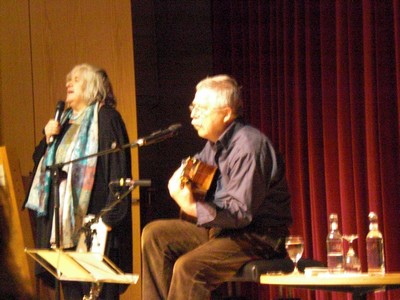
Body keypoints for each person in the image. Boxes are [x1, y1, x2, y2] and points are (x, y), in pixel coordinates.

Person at [141, 74, 293, 299]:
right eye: (193, 107)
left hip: (258, 236)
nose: (193, 114)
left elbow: (240, 213)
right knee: (154, 235)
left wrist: (191, 207)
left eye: (202, 109)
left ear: (227, 113)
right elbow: (197, 174)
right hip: (223, 231)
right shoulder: (213, 146)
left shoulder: (249, 147)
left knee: (188, 268)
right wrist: (183, 177)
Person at [24, 63, 132, 299]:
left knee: (98, 293)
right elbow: (38, 161)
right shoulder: (63, 121)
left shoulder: (106, 117)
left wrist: (110, 218)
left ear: (92, 86)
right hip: (63, 224)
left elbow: (118, 169)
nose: (68, 84)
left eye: (75, 79)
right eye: (68, 80)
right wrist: (47, 136)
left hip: (95, 220)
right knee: (72, 292)